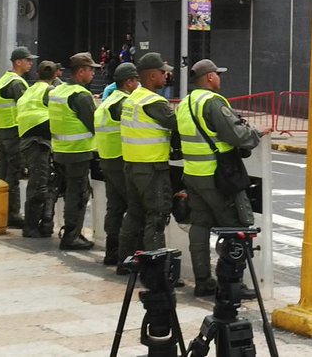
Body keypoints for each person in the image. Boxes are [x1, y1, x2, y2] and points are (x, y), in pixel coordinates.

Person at [176, 59, 267, 297]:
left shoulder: (185, 103)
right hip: (218, 177)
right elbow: (236, 135)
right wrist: (255, 134)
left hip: (193, 174)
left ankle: (203, 281)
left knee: (199, 225)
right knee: (235, 228)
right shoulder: (213, 102)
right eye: (217, 74)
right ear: (209, 78)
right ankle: (231, 283)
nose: (219, 77)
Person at [117, 52, 182, 269]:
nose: (166, 76)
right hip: (152, 168)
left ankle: (126, 262)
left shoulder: (132, 98)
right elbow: (177, 123)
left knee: (134, 214)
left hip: (132, 165)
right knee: (157, 216)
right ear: (152, 76)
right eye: (163, 73)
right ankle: (156, 270)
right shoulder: (153, 101)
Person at [44, 52, 98, 250]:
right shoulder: (81, 96)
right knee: (78, 194)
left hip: (60, 151)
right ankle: (72, 236)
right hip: (78, 152)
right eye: (91, 69)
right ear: (80, 71)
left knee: (68, 193)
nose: (93, 73)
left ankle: (67, 231)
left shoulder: (57, 91)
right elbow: (94, 124)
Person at [94, 62, 138, 266]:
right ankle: (128, 257)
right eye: (136, 80)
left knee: (115, 207)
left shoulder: (106, 101)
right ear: (129, 82)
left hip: (107, 159)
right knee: (135, 207)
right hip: (121, 160)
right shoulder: (123, 103)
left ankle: (112, 251)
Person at [0, 47, 36, 228]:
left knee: (4, 173)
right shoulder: (16, 83)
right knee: (13, 173)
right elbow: (27, 108)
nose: (31, 63)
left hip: (4, 132)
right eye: (28, 60)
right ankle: (12, 213)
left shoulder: (4, 80)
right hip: (14, 132)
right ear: (18, 62)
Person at [17, 60, 56, 237]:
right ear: (55, 76)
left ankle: (35, 224)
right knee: (39, 185)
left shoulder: (29, 90)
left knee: (37, 182)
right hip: (39, 142)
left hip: (26, 139)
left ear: (37, 74)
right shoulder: (49, 91)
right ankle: (31, 226)